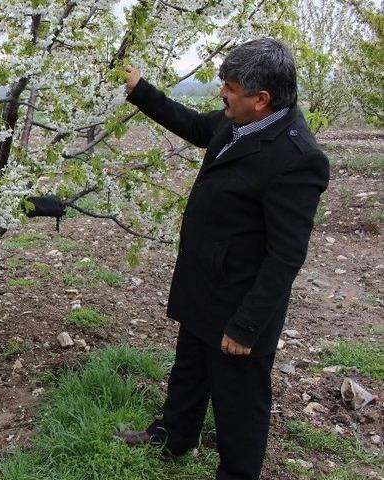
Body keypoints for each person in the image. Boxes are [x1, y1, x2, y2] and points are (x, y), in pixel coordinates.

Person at [115, 38, 329, 480]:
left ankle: (237, 472)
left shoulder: (297, 158)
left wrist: (246, 324)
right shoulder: (238, 124)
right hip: (206, 278)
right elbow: (194, 125)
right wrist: (140, 90)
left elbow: (287, 254)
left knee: (240, 397)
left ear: (261, 99)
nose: (222, 95)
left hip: (241, 299)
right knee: (190, 367)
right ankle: (174, 437)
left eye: (229, 87)